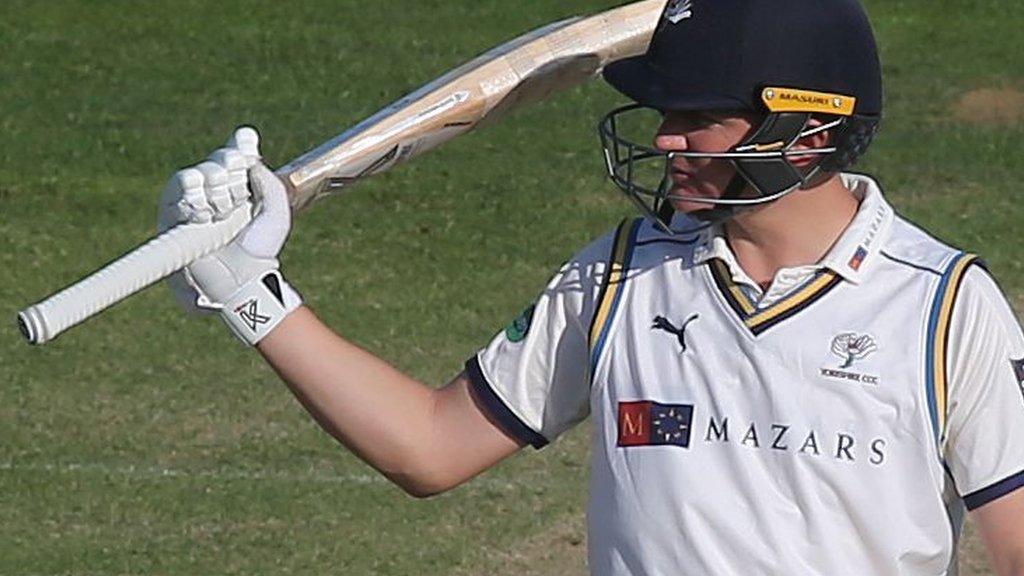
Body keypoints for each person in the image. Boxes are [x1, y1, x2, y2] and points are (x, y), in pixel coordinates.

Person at [157, 0, 1024, 574]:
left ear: (804, 133)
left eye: (698, 117)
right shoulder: (620, 274)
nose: (667, 140)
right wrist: (252, 294)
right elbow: (428, 447)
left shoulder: (944, 307)